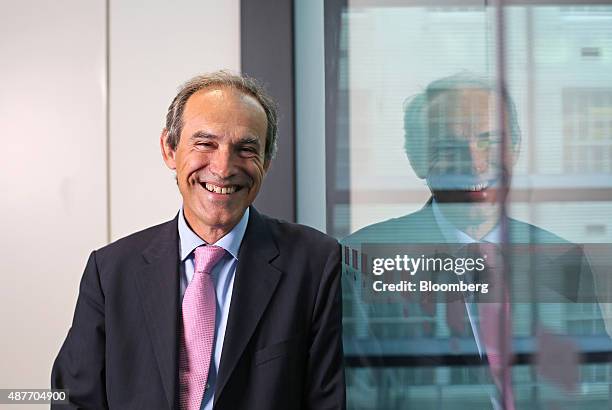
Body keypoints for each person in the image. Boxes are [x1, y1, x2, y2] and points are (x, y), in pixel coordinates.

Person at [51, 71, 345, 410]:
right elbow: (72, 400)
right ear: (169, 149)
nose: (223, 168)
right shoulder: (110, 270)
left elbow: (330, 402)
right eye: (205, 144)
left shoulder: (316, 263)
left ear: (266, 160)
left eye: (246, 149)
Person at [341, 73, 608, 409]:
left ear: (515, 149)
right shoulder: (360, 262)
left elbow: (598, 388)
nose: (475, 163)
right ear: (416, 158)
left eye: (489, 142)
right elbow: (356, 397)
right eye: (449, 147)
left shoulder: (562, 257)